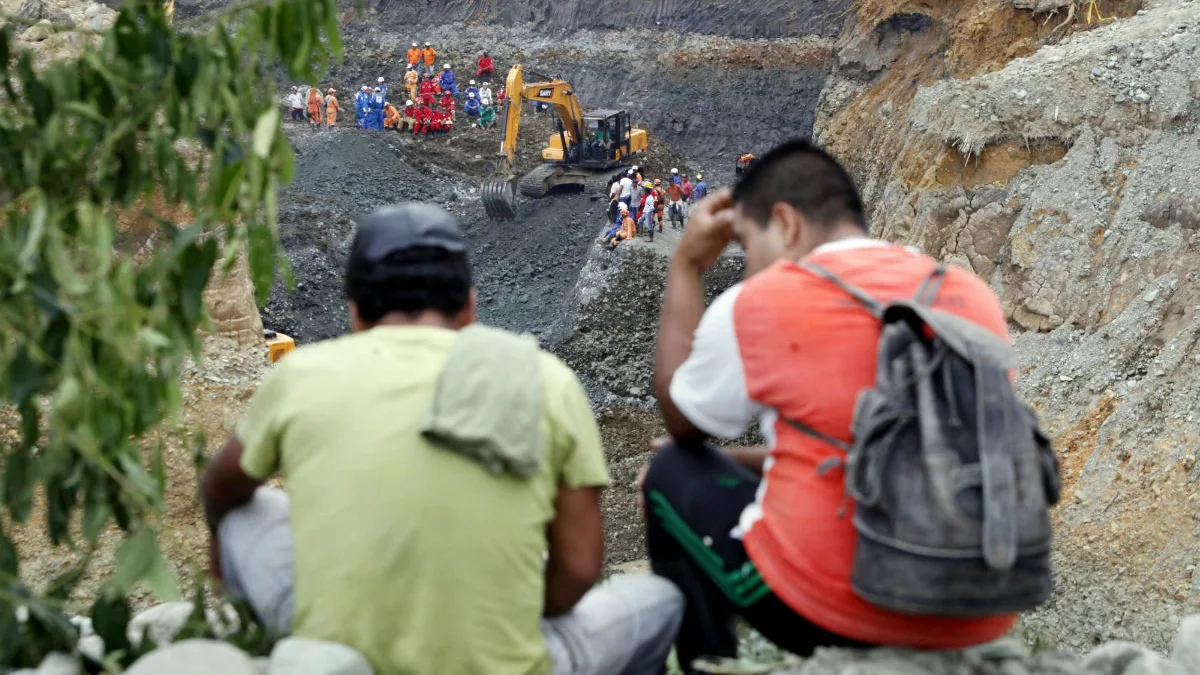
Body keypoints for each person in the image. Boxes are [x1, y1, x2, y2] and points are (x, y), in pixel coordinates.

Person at [201, 203, 684, 675]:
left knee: (248, 514)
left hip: (337, 656)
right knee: (658, 600)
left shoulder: (299, 374)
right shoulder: (545, 379)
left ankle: (257, 640)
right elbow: (579, 571)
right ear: (470, 308)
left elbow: (220, 488)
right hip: (507, 661)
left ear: (354, 313)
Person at [641, 140, 1017, 672]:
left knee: (669, 471)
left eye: (748, 245)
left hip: (833, 612)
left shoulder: (764, 300)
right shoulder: (965, 292)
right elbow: (885, 446)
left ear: (786, 224)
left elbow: (683, 423)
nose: (749, 268)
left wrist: (686, 266)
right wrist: (743, 458)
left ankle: (708, 662)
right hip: (981, 610)